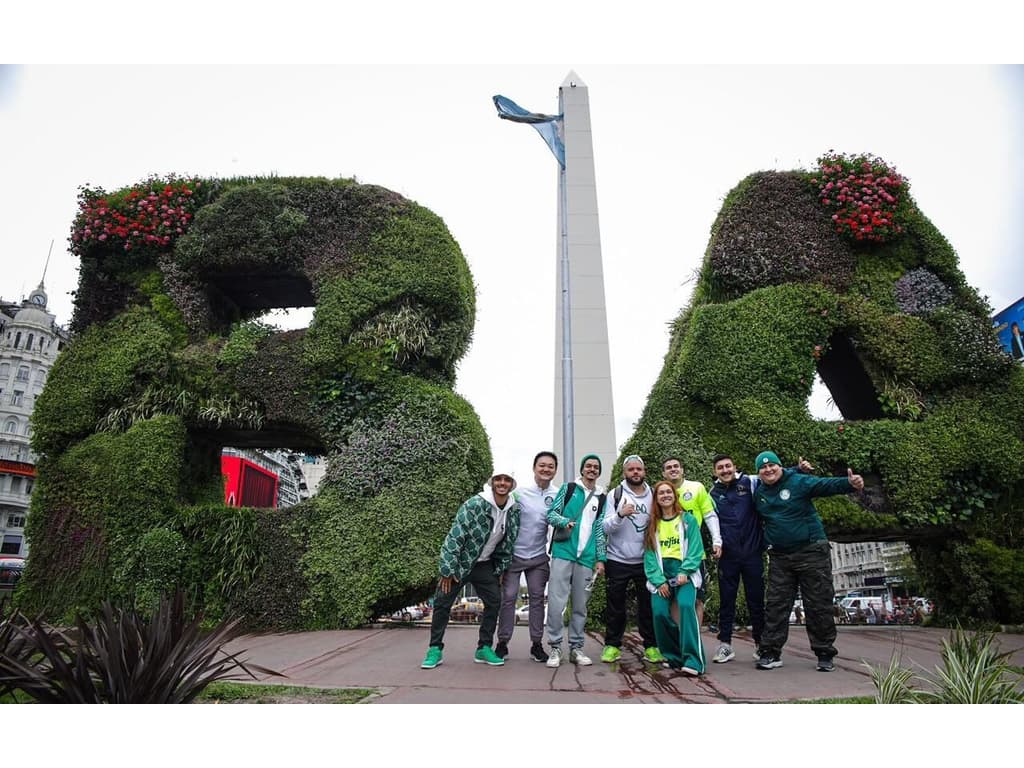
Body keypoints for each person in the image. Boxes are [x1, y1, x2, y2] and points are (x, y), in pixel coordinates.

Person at [751, 450, 865, 672]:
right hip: (780, 556)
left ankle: (824, 653)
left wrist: (850, 484)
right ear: (759, 473)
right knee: (775, 606)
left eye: (772, 465)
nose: (768, 470)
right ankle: (771, 652)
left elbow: (824, 486)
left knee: (818, 604)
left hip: (811, 551)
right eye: (763, 468)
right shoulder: (759, 493)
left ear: (780, 466)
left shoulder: (799, 481)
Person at [707, 452, 813, 663]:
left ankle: (760, 644)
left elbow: (772, 474)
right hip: (728, 556)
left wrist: (798, 469)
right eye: (720, 468)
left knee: (756, 600)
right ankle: (725, 645)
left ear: (734, 466)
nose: (725, 470)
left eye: (728, 466)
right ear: (715, 471)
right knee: (726, 601)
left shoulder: (751, 482)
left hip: (752, 553)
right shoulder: (712, 492)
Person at [420, 469, 521, 669]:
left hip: (485, 565)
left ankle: (483, 647)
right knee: (442, 602)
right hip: (461, 564)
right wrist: (448, 569)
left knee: (494, 602)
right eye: (498, 479)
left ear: (511, 484)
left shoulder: (514, 510)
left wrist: (499, 569)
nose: (502, 483)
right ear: (492, 483)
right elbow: (455, 536)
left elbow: (509, 542)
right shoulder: (475, 504)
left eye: (507, 480)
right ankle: (435, 649)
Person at [599, 454, 666, 664]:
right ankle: (612, 645)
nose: (635, 472)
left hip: (646, 559)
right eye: (631, 469)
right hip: (617, 559)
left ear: (644, 472)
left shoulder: (654, 494)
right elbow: (604, 527)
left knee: (648, 606)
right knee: (615, 606)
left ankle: (652, 646)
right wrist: (620, 514)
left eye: (639, 469)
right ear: (624, 472)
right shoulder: (615, 494)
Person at [544, 453, 607, 668]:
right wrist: (565, 522)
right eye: (588, 466)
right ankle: (554, 647)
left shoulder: (602, 496)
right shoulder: (569, 488)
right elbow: (551, 514)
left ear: (599, 471)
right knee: (556, 603)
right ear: (582, 469)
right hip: (564, 552)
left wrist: (601, 558)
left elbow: (599, 529)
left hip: (586, 558)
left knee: (580, 606)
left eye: (595, 467)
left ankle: (576, 648)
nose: (592, 469)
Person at [495, 451, 557, 663]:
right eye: (542, 465)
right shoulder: (519, 494)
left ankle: (537, 645)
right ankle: (502, 643)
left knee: (538, 599)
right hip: (514, 555)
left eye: (550, 466)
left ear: (555, 470)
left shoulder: (557, 495)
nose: (546, 469)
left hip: (539, 556)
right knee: (509, 597)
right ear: (534, 468)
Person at [643, 480, 706, 676]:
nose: (665, 496)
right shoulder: (653, 525)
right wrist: (658, 580)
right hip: (662, 575)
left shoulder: (687, 520)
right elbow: (650, 555)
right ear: (656, 499)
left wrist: (685, 571)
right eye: (661, 493)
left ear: (674, 495)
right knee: (659, 612)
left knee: (687, 606)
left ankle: (694, 660)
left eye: (668, 492)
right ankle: (673, 656)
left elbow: (696, 549)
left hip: (684, 573)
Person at [662, 457, 721, 628]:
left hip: (694, 555)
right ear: (663, 473)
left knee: (696, 599)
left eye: (676, 466)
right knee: (674, 599)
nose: (673, 469)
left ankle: (694, 642)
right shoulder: (661, 492)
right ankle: (680, 642)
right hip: (669, 555)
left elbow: (709, 515)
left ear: (682, 470)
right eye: (668, 467)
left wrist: (717, 540)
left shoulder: (696, 488)